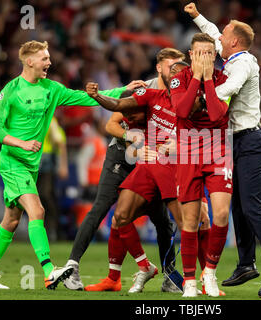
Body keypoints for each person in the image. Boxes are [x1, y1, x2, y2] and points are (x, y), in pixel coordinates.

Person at [0, 40, 140, 290]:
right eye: (44, 58)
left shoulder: (51, 88)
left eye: (49, 58)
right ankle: (50, 271)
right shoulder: (11, 90)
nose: (49, 62)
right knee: (37, 210)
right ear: (29, 61)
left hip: (31, 164)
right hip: (12, 161)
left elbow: (85, 98)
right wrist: (21, 143)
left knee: (11, 220)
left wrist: (122, 90)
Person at [185, 2, 261, 298]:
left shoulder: (243, 64)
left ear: (234, 42)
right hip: (237, 142)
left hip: (251, 142)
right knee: (240, 206)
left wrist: (202, 96)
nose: (219, 38)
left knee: (252, 205)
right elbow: (212, 32)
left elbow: (229, 88)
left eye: (224, 34)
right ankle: (246, 263)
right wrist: (196, 16)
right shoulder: (233, 56)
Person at [63, 48, 186, 293]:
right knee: (102, 208)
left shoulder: (182, 95)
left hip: (152, 162)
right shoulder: (142, 90)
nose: (175, 72)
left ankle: (168, 275)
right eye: (170, 66)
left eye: (178, 68)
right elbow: (111, 123)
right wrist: (134, 140)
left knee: (161, 221)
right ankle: (73, 266)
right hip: (123, 155)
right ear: (159, 67)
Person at [169, 33, 232, 297]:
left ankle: (210, 272)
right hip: (188, 152)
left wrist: (207, 79)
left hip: (218, 150)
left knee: (220, 214)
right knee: (191, 220)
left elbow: (218, 115)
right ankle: (190, 282)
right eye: (200, 53)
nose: (205, 57)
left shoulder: (225, 81)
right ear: (191, 54)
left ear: (214, 56)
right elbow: (182, 111)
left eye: (209, 53)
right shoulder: (177, 79)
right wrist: (197, 77)